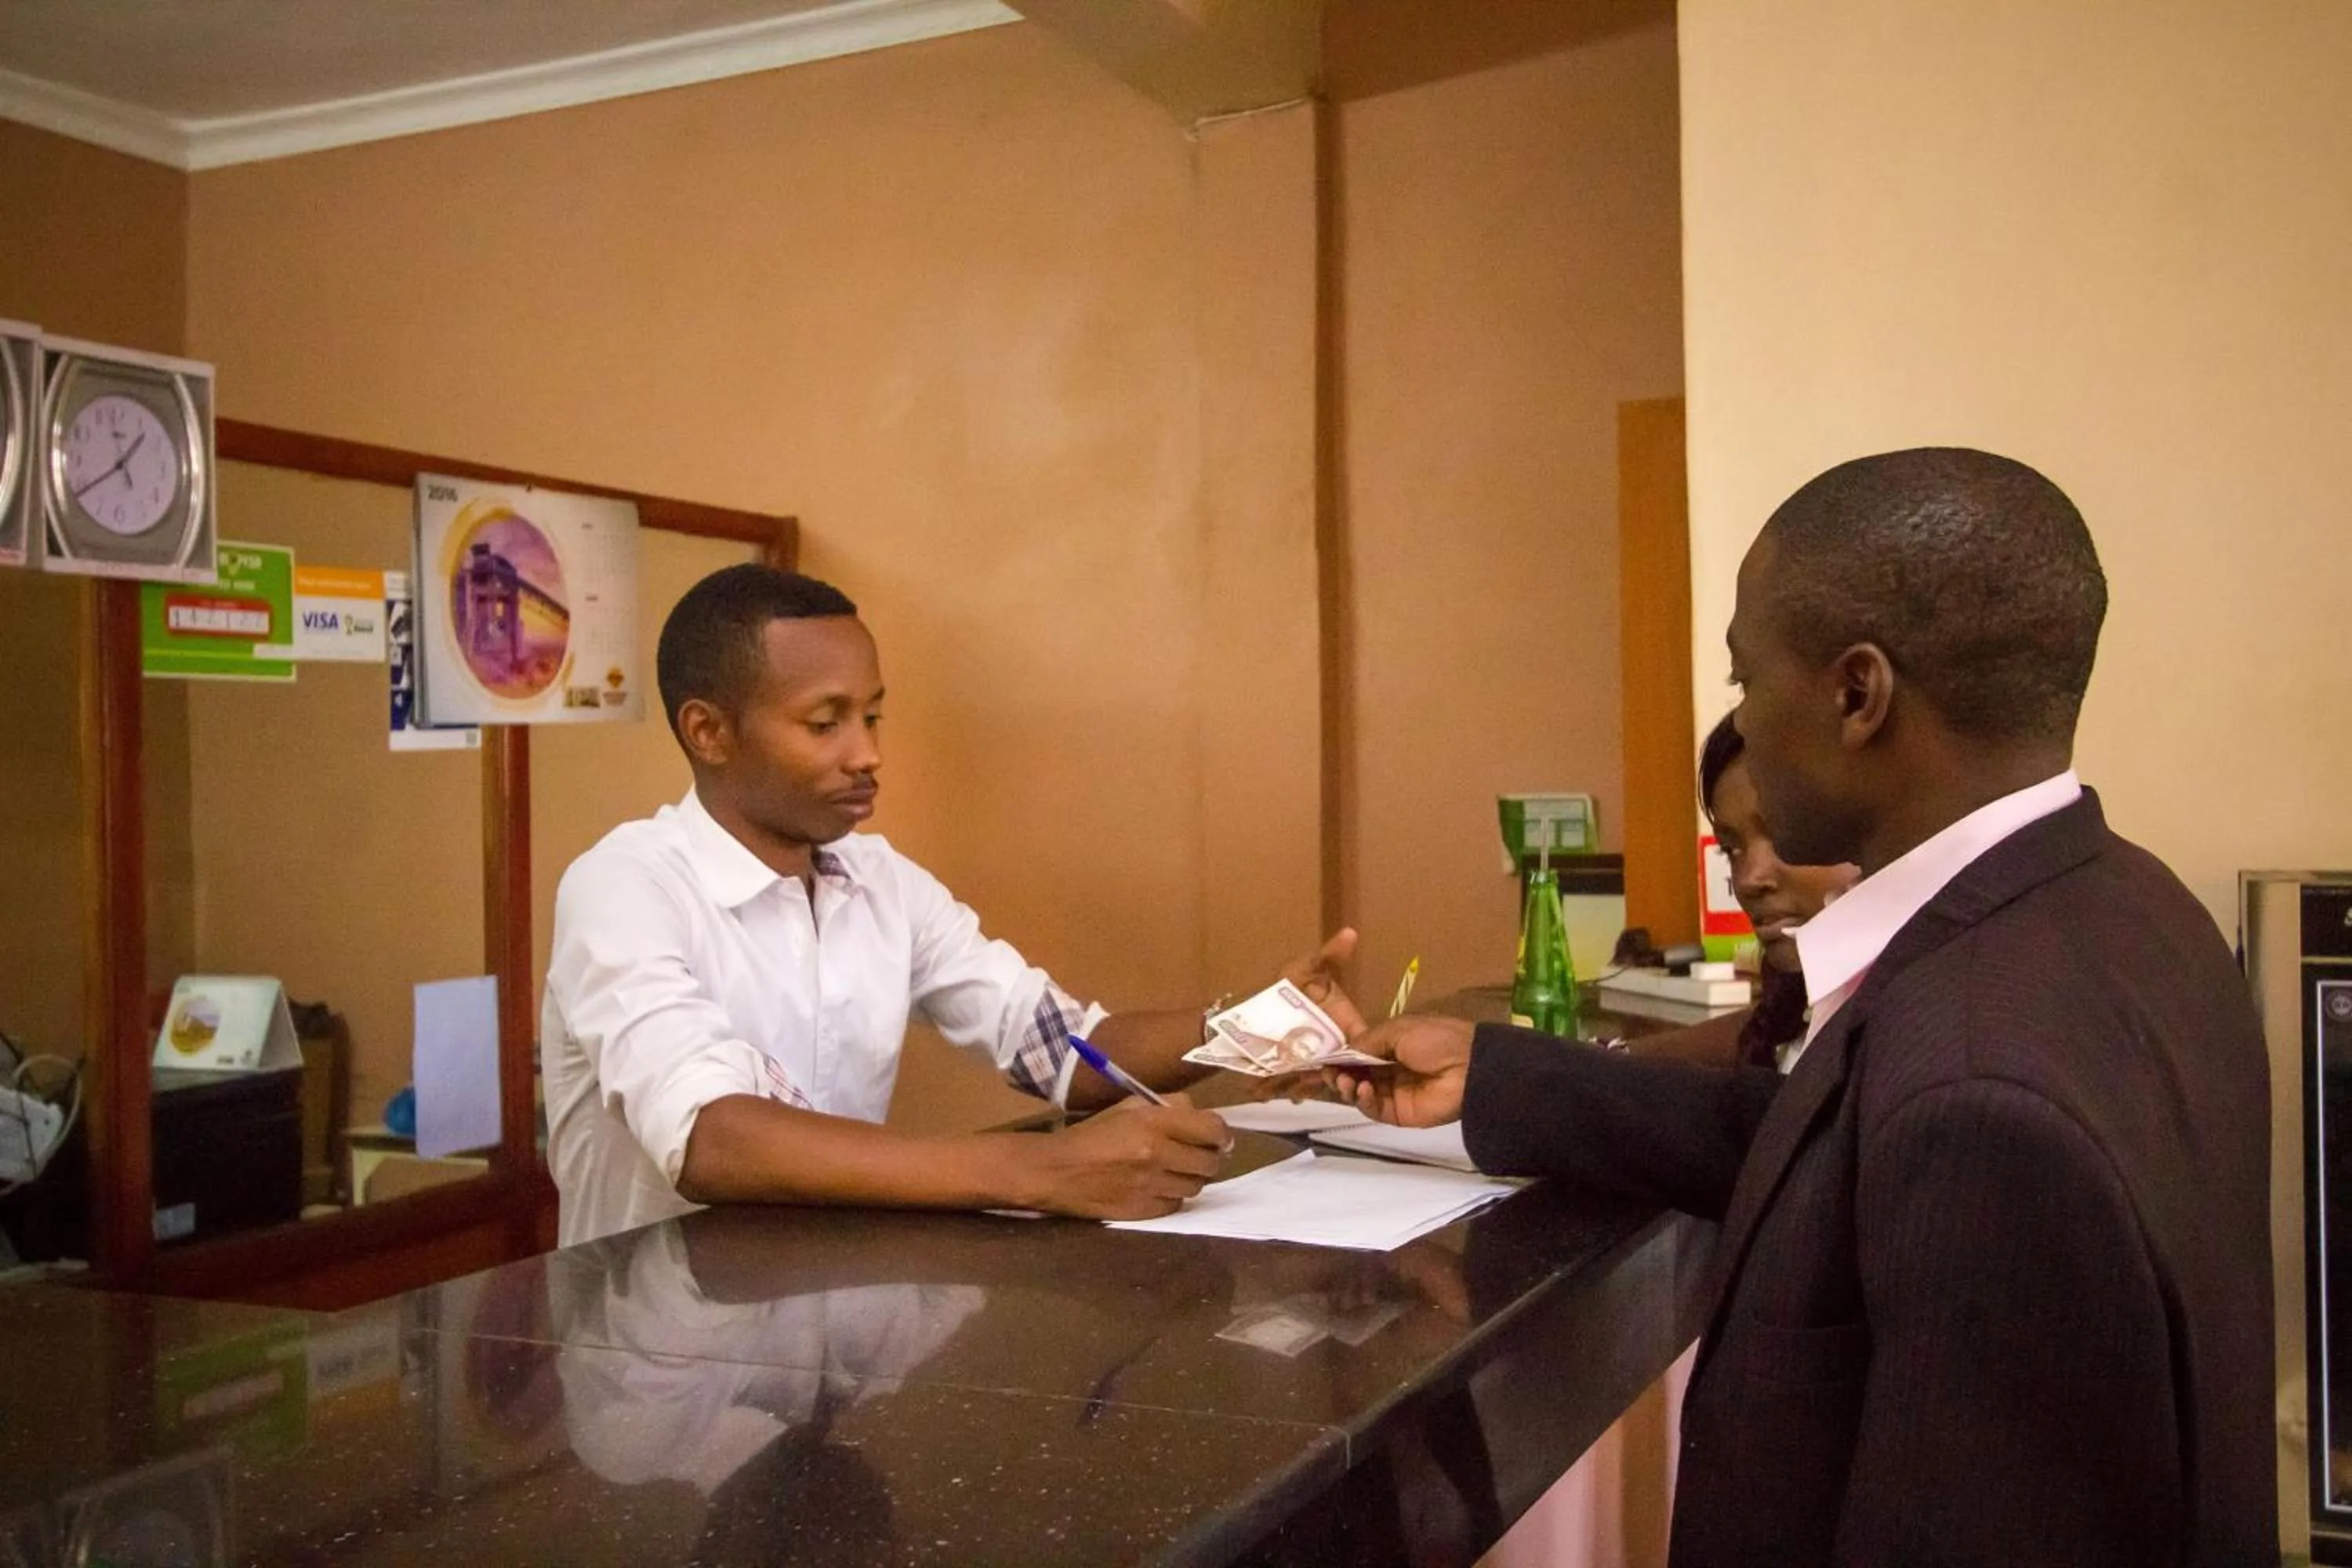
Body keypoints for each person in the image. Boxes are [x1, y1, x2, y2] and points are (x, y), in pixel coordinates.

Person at [1330, 448, 2274, 1566]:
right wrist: (1499, 1077)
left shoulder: (1980, 1096)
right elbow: (1822, 1145)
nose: (1744, 722)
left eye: (1744, 679)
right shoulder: (2130, 906)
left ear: (1856, 694)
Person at [543, 564, 1362, 1246]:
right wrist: (1042, 1171)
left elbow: (1066, 1050)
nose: (868, 754)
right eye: (825, 722)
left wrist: (1259, 1023)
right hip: (661, 1365)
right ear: (708, 732)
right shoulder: (624, 886)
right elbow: (711, 1138)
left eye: (872, 715)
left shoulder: (879, 880)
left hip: (821, 1325)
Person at [1629, 713, 1858, 1069]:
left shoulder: (1925, 1035)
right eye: (1731, 849)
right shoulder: (1793, 1021)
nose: (1750, 880)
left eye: (1784, 833)